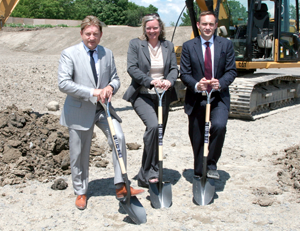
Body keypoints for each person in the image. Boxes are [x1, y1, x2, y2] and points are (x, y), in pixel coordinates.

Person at [58, 15, 144, 210]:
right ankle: (81, 191)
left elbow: (115, 78)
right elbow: (63, 83)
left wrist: (110, 88)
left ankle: (121, 185)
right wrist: (93, 92)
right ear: (81, 33)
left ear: (101, 35)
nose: (91, 37)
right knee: (79, 152)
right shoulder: (69, 54)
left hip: (103, 108)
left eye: (95, 34)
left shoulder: (107, 53)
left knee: (119, 138)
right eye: (88, 34)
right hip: (79, 109)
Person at [123, 13, 178, 188]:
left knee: (158, 133)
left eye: (155, 27)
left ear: (160, 28)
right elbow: (132, 68)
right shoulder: (136, 44)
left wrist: (169, 80)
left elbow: (174, 69)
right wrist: (150, 81)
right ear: (144, 29)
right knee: (154, 126)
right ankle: (149, 171)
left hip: (164, 95)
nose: (152, 31)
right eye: (148, 28)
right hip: (142, 94)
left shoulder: (168, 45)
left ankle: (148, 172)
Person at [180, 11, 237, 180]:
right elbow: (184, 73)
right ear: (198, 25)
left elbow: (231, 71)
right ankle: (199, 171)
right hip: (196, 98)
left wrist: (221, 82)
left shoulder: (226, 45)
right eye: (204, 24)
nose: (207, 27)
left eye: (211, 24)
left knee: (219, 126)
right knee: (197, 136)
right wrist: (197, 85)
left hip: (218, 97)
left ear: (216, 26)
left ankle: (211, 164)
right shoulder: (189, 46)